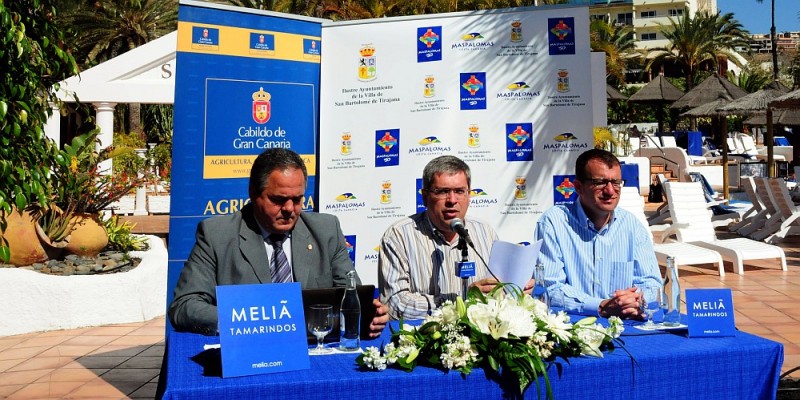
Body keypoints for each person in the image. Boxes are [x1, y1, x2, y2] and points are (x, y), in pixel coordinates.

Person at [168, 148, 389, 335]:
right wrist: (251, 322)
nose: (289, 209)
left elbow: (351, 295)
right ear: (253, 193)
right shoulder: (216, 235)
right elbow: (184, 306)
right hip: (248, 350)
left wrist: (367, 315)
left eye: (297, 199)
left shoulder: (326, 230)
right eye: (278, 200)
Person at [378, 155, 526, 320]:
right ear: (425, 197)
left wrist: (515, 289)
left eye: (459, 191)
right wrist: (461, 301)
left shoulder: (485, 232)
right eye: (442, 192)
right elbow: (394, 304)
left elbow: (497, 293)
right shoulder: (398, 236)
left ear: (469, 195)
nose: (452, 200)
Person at [534, 148, 662, 319]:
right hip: (572, 325)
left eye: (616, 182)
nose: (610, 191)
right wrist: (601, 306)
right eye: (600, 182)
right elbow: (549, 288)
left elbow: (652, 284)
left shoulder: (632, 226)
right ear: (578, 187)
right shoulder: (553, 223)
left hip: (626, 323)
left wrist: (635, 299)